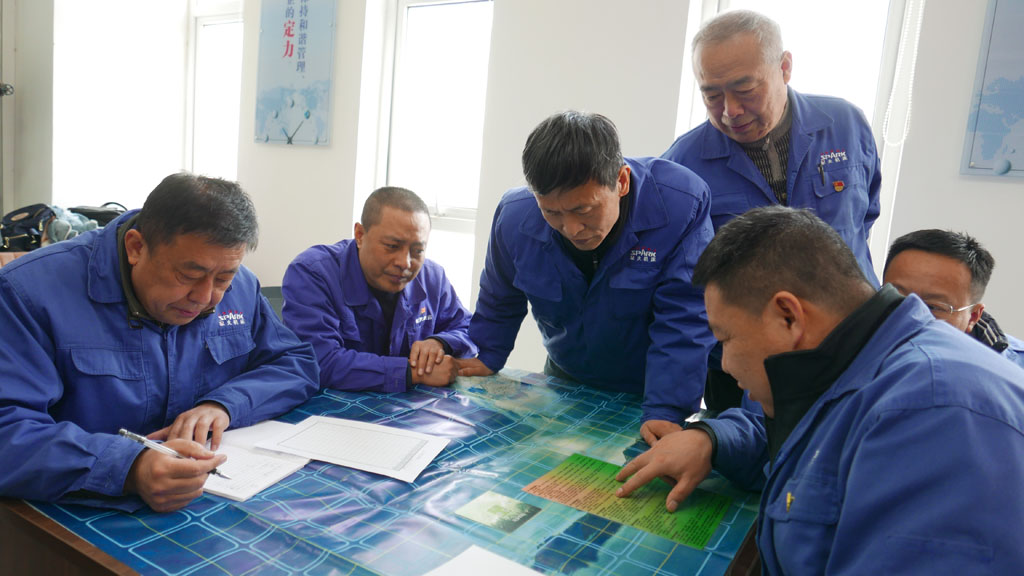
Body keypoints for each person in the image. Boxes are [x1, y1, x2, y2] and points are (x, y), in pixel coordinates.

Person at [615, 206, 1024, 574]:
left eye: (725, 338)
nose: (725, 364)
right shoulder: (854, 366)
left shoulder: (934, 412)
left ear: (789, 316)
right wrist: (712, 439)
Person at [0, 173, 320, 513]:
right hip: (74, 509)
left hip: (205, 497)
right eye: (189, 275)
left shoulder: (240, 287)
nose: (205, 298)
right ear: (136, 247)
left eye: (223, 278)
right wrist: (129, 467)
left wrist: (224, 405)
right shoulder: (27, 293)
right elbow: (8, 430)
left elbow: (294, 363)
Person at [661, 9, 882, 411]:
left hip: (850, 346)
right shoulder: (682, 165)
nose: (730, 110)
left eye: (744, 89)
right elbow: (680, 285)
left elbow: (864, 217)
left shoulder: (845, 124)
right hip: (742, 367)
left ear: (784, 68)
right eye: (711, 95)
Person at [459, 111, 716, 445]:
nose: (571, 229)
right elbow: (500, 296)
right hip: (565, 376)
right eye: (551, 212)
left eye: (583, 210)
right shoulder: (514, 216)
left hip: (651, 388)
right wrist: (485, 353)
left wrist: (667, 410)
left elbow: (685, 317)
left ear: (621, 181)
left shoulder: (680, 204)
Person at [282, 187, 476, 391]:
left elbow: (470, 329)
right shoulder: (312, 274)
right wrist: (412, 372)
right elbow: (319, 361)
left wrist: (441, 342)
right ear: (359, 235)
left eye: (417, 250)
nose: (405, 262)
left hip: (409, 406)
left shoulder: (432, 278)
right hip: (332, 406)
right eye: (392, 246)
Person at [883, 228, 1024, 369]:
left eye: (932, 307)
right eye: (897, 298)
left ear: (973, 316)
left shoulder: (1015, 372)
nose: (908, 316)